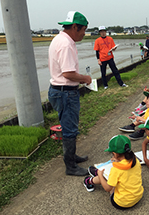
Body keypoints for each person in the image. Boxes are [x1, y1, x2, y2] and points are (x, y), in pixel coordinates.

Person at [48, 11, 91, 176]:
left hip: (58, 91)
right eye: (83, 30)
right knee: (70, 129)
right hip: (65, 92)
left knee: (67, 125)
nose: (83, 34)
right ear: (74, 27)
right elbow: (68, 73)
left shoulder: (59, 39)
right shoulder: (66, 44)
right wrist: (85, 78)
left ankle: (72, 157)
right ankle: (71, 166)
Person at [83, 135, 144, 209]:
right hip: (138, 196)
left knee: (106, 178)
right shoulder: (135, 160)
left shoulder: (116, 169)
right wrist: (117, 159)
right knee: (117, 178)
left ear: (115, 154)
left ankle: (89, 181)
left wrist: (100, 175)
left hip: (122, 203)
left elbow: (107, 188)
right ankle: (99, 174)